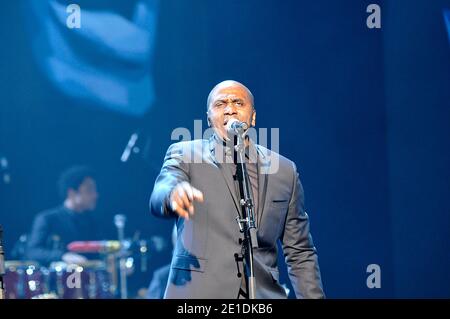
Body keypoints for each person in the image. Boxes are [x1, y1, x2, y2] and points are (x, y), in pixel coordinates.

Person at [149, 80, 325, 299]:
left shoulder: (284, 171)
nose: (229, 109)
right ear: (209, 118)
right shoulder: (185, 155)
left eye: (237, 103)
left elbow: (300, 252)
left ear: (252, 117)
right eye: (220, 104)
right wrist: (172, 194)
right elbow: (162, 190)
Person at [27, 166, 102, 266]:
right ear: (72, 193)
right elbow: (32, 251)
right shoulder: (47, 219)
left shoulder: (92, 222)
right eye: (89, 190)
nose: (95, 195)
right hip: (56, 280)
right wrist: (62, 256)